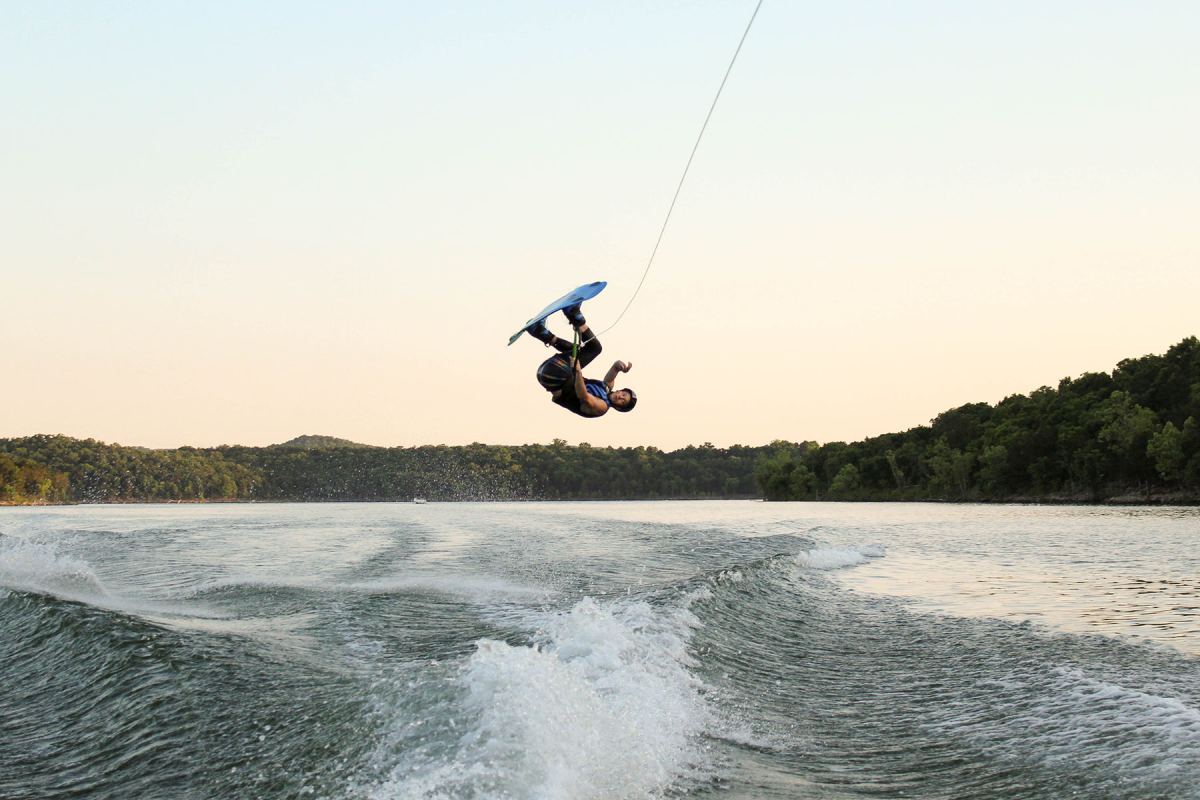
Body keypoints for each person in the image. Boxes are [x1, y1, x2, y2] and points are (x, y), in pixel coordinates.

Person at [527, 303, 637, 418]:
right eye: (623, 394)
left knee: (595, 348)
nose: (620, 397)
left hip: (557, 377)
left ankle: (574, 314)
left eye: (622, 401)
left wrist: (578, 371)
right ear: (620, 390)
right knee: (578, 351)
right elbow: (613, 371)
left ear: (618, 407)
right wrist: (620, 367)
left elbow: (584, 396)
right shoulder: (606, 389)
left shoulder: (602, 407)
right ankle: (540, 332)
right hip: (553, 373)